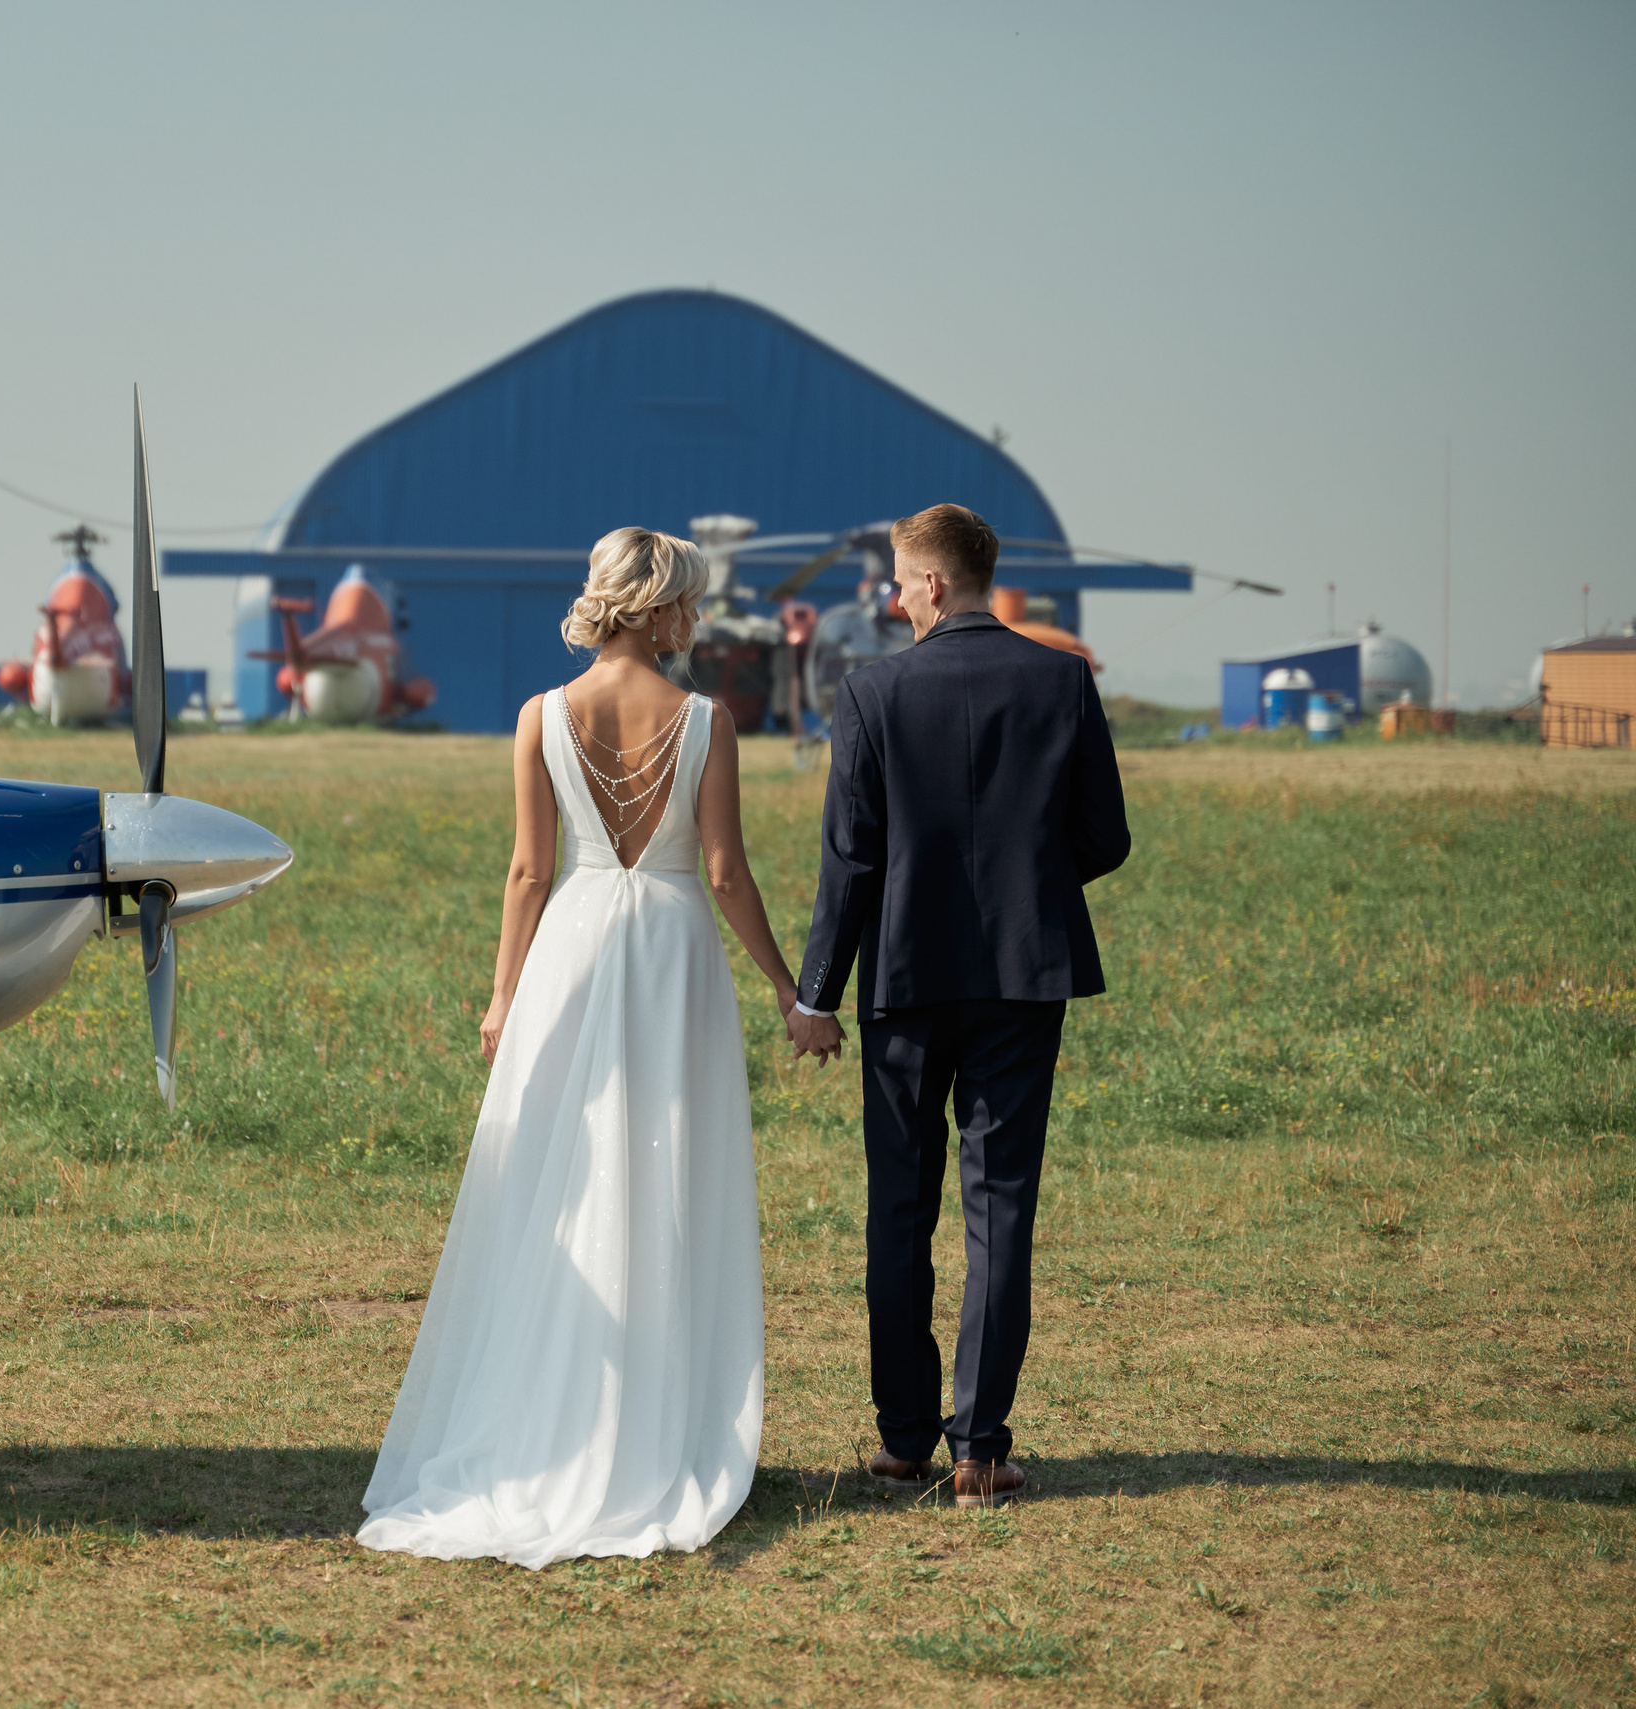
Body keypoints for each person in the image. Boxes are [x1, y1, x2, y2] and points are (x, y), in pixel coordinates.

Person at [358, 526, 797, 1569]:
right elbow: (726, 872)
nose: (692, 617)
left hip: (572, 944)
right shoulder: (705, 719)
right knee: (668, 1170)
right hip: (675, 953)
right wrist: (788, 989)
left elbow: (526, 870)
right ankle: (660, 1422)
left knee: (565, 1172)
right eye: (685, 600)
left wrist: (502, 996)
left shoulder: (537, 716)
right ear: (655, 607)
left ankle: (560, 1408)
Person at [785, 503, 1130, 1509]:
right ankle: (979, 1448)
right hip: (1025, 976)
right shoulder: (1062, 678)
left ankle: (901, 1442)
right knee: (1000, 1206)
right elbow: (1103, 837)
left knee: (897, 1207)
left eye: (899, 580)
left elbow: (849, 861)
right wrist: (1023, 885)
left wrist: (816, 993)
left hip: (900, 980)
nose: (894, 597)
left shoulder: (870, 689)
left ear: (932, 583)